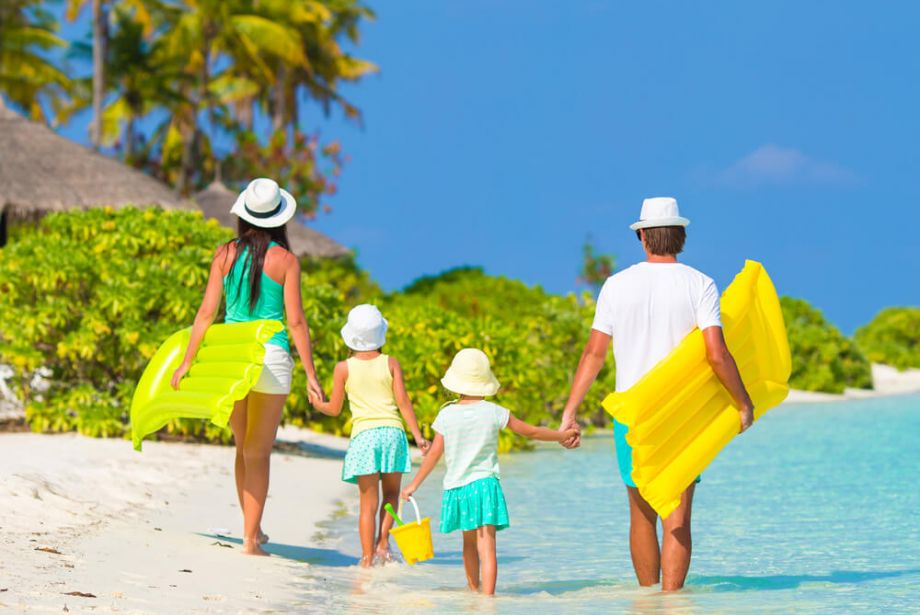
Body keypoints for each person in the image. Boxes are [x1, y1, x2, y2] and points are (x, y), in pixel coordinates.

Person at [558, 197, 755, 590]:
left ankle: (648, 602)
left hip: (633, 414)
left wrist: (570, 411)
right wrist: (743, 402)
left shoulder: (616, 285)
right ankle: (673, 604)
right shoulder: (700, 284)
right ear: (680, 236)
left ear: (643, 236)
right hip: (683, 415)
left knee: (641, 514)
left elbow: (594, 353)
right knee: (677, 516)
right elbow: (718, 354)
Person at [170, 178, 324, 556]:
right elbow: (297, 323)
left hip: (233, 359)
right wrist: (312, 375)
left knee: (243, 449)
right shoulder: (286, 260)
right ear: (278, 218)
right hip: (271, 358)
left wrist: (187, 361)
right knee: (259, 451)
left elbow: (207, 313)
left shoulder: (224, 254)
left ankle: (251, 531)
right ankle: (251, 539)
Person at [401, 348, 579, 595]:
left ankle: (473, 591)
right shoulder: (495, 412)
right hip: (485, 486)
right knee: (488, 548)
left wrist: (413, 485)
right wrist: (562, 436)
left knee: (469, 545)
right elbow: (532, 432)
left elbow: (433, 455)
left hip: (459, 489)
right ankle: (489, 600)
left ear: (455, 382)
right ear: (485, 382)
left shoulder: (446, 414)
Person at [311, 304, 430, 567]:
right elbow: (403, 402)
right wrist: (419, 437)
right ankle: (383, 545)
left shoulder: (343, 368)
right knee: (391, 495)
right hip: (392, 434)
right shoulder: (390, 363)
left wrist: (318, 404)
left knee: (368, 504)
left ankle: (366, 560)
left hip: (364, 437)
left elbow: (334, 409)